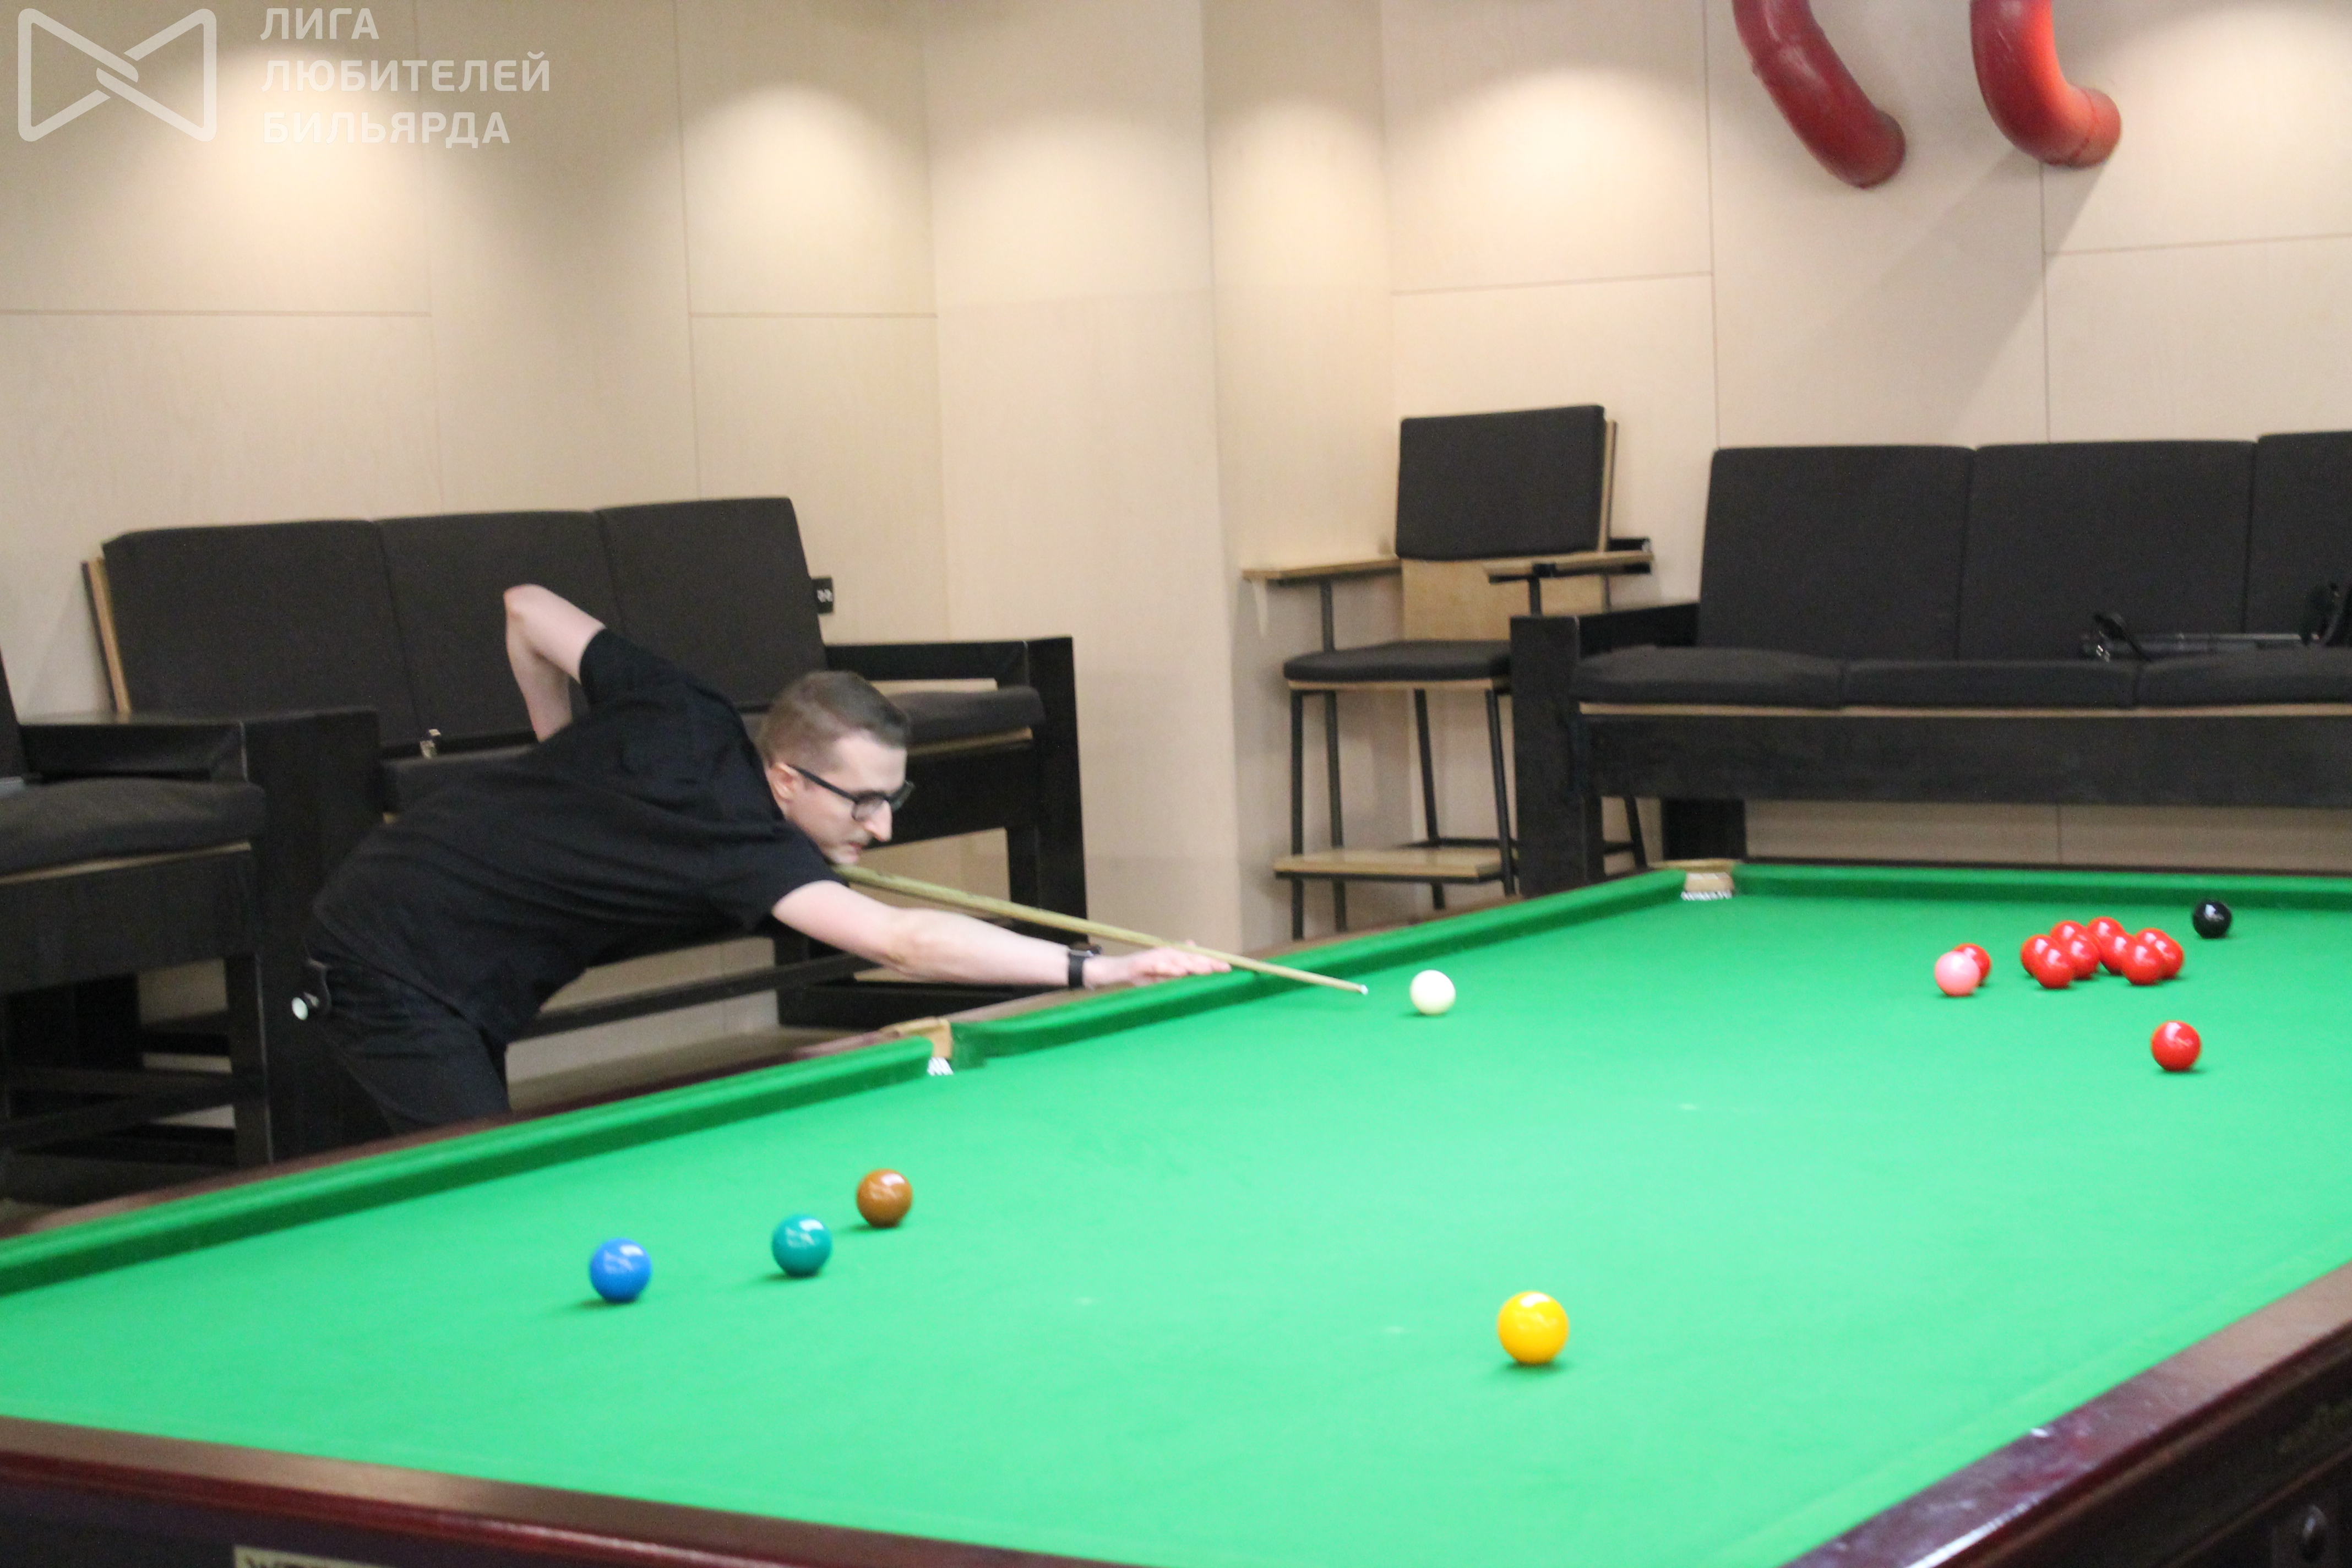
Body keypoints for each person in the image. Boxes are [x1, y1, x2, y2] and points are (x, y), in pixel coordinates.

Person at [303, 584, 1222, 1132]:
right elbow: (903, 943)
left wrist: (558, 752)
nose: (881, 828)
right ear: (784, 778)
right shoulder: (740, 844)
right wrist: (1098, 971)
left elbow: (528, 608)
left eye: (892, 797)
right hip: (390, 960)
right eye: (859, 802)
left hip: (435, 926)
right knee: (484, 1199)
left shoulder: (685, 706)